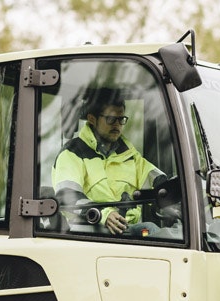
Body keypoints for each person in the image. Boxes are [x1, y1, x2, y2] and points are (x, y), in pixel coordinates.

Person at [52, 89, 164, 235]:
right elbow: (67, 196)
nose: (117, 125)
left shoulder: (129, 155)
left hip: (126, 231)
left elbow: (156, 180)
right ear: (92, 119)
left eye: (121, 119)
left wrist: (177, 193)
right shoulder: (73, 153)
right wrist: (103, 214)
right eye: (111, 119)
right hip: (86, 232)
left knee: (154, 231)